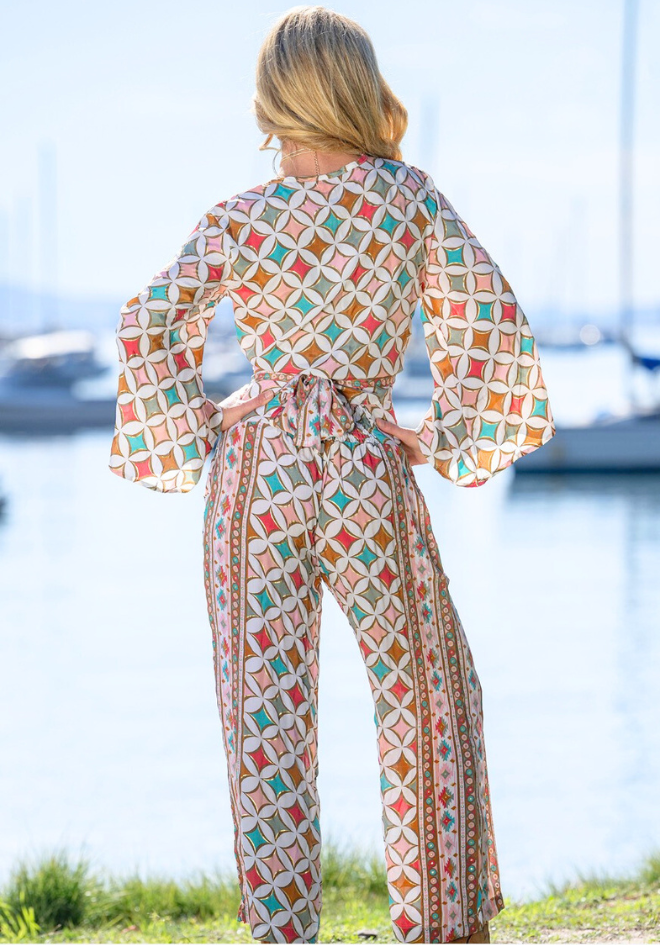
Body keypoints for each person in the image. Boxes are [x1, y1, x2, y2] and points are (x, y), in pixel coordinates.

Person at [108, 5, 555, 943]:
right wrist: (439, 436)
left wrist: (199, 421)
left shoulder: (238, 219)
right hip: (362, 459)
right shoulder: (406, 198)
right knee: (427, 693)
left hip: (255, 473)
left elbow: (147, 323)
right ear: (356, 83)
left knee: (264, 722)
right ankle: (443, 924)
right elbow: (488, 318)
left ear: (274, 96)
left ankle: (283, 933)